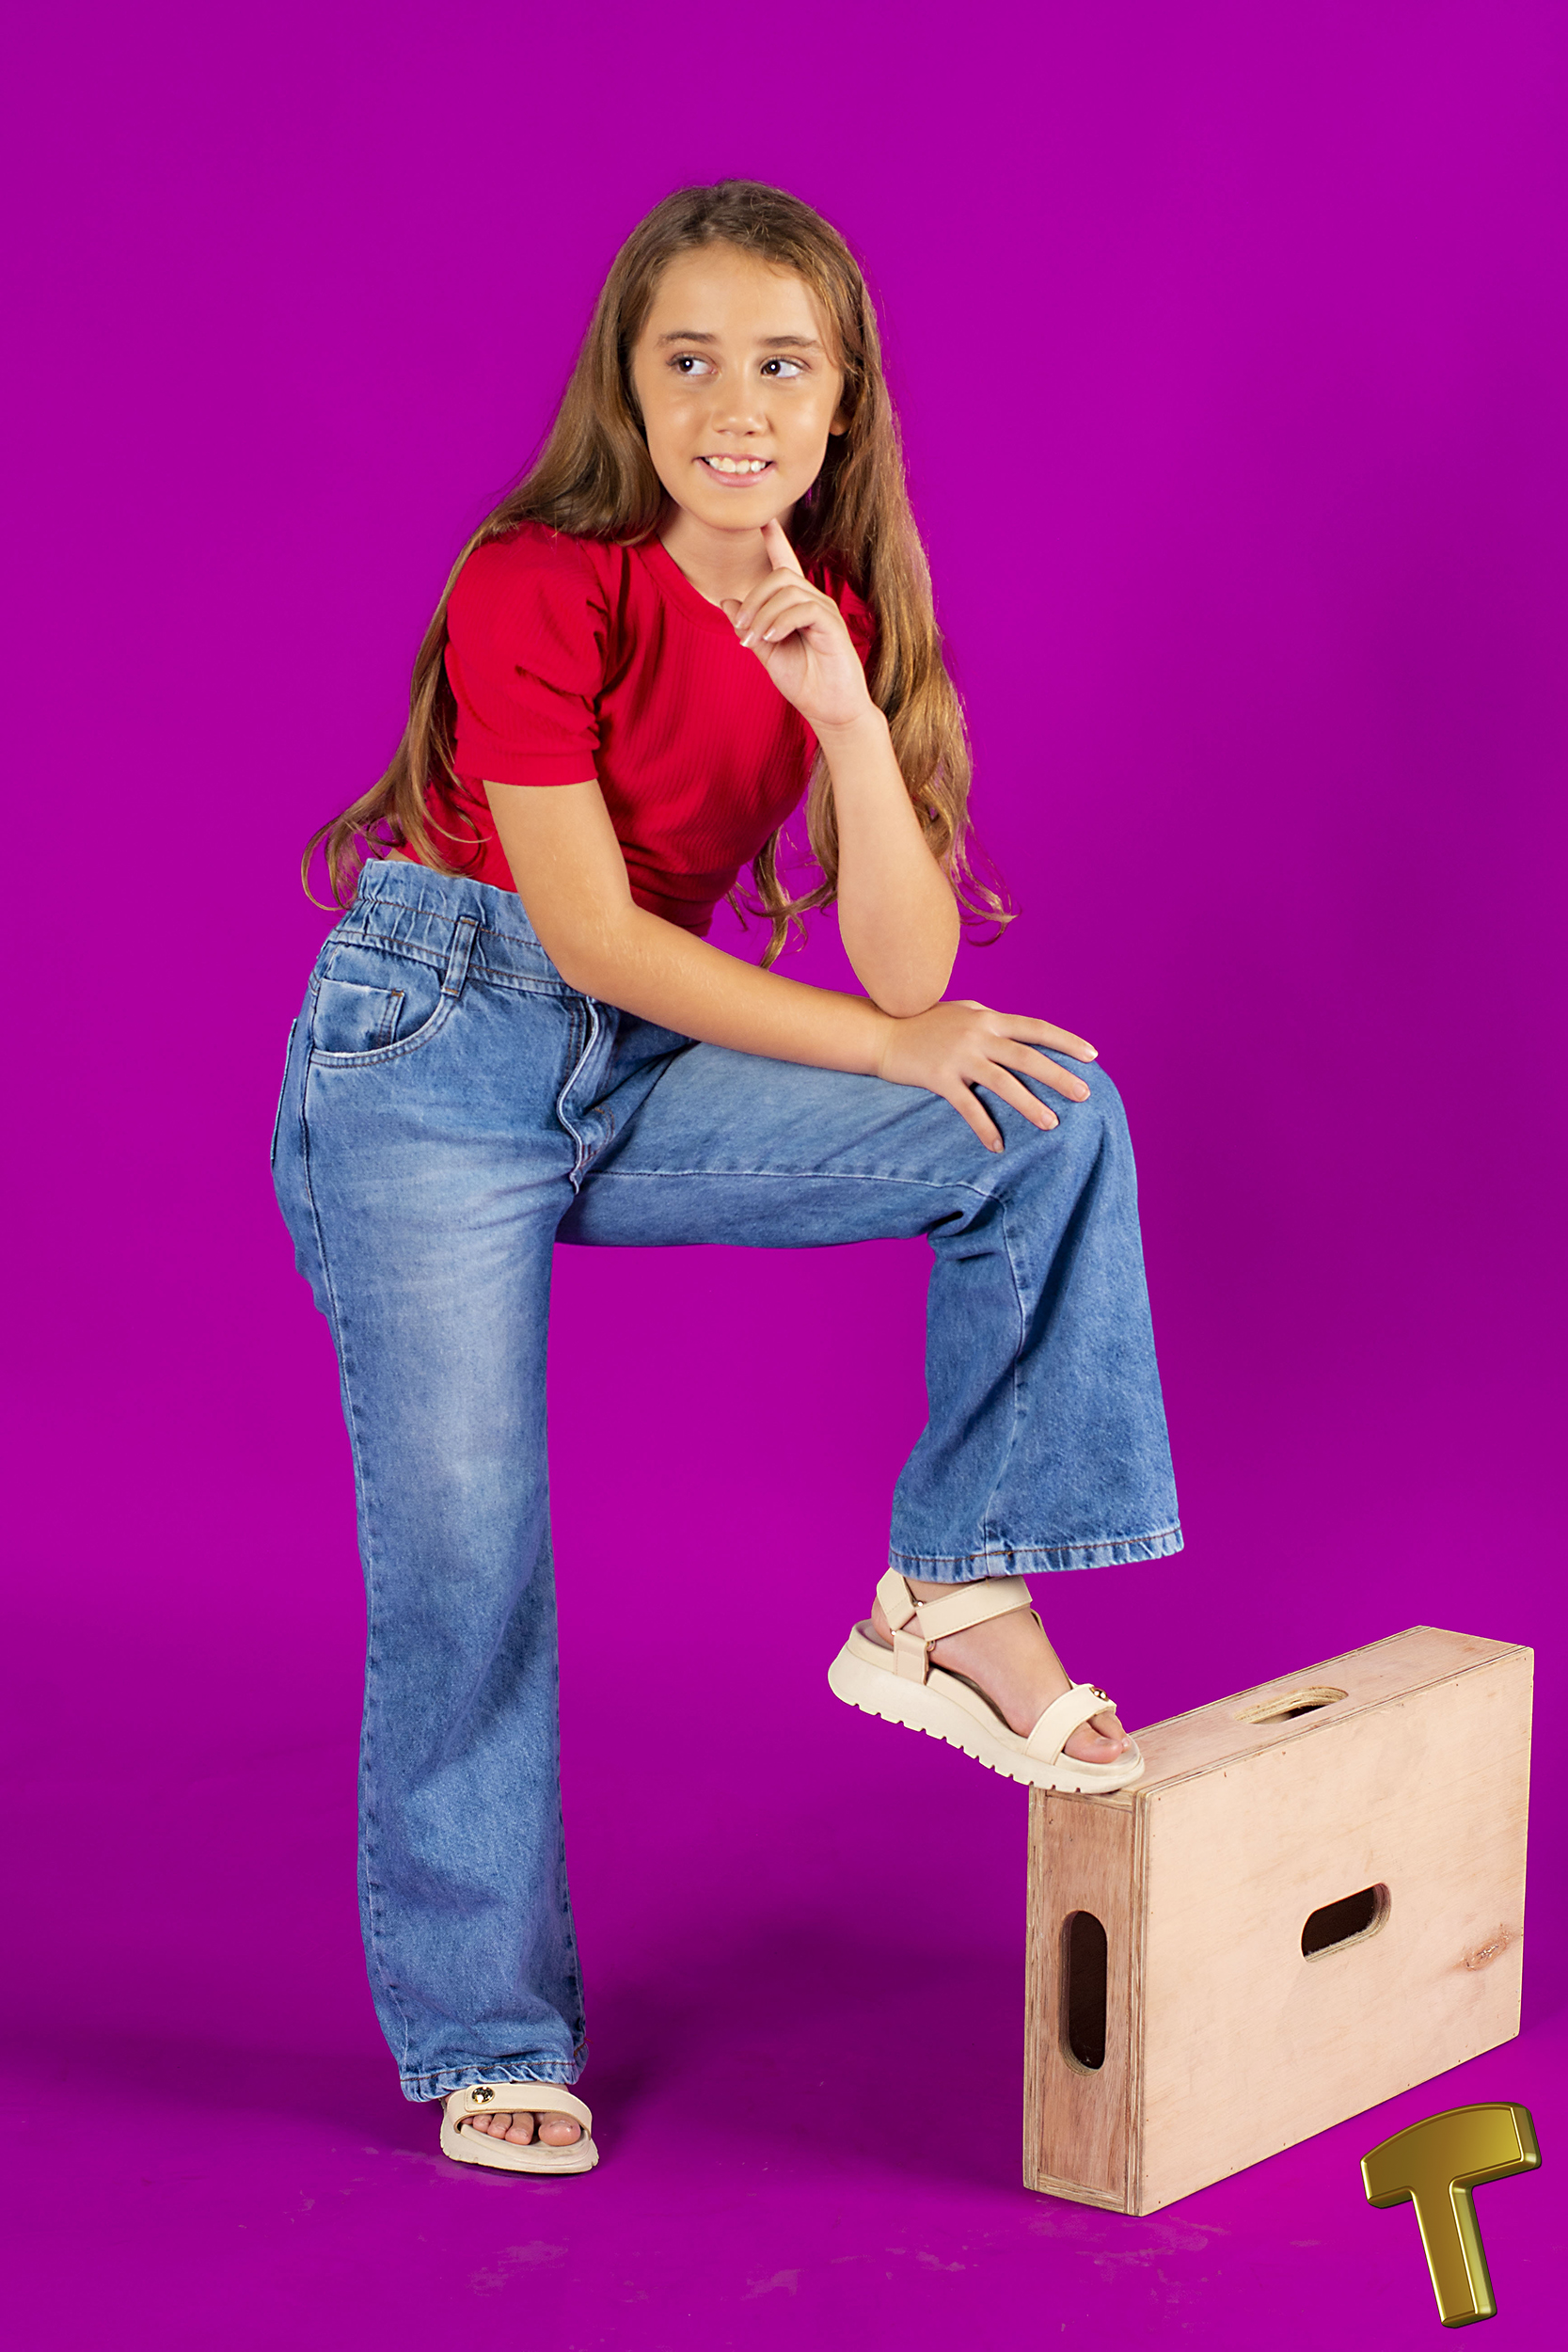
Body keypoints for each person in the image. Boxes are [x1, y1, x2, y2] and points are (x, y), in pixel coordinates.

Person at [272, 180, 1180, 2178]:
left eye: (781, 365)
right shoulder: (537, 574)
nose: (733, 404)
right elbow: (593, 932)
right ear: (630, 385)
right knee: (469, 1563)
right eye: (687, 360)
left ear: (843, 404)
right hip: (432, 1059)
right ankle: (490, 2028)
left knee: (1043, 1115)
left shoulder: (830, 615)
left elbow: (912, 977)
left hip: (639, 1063)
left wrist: (841, 712)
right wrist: (881, 1047)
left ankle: (949, 1589)